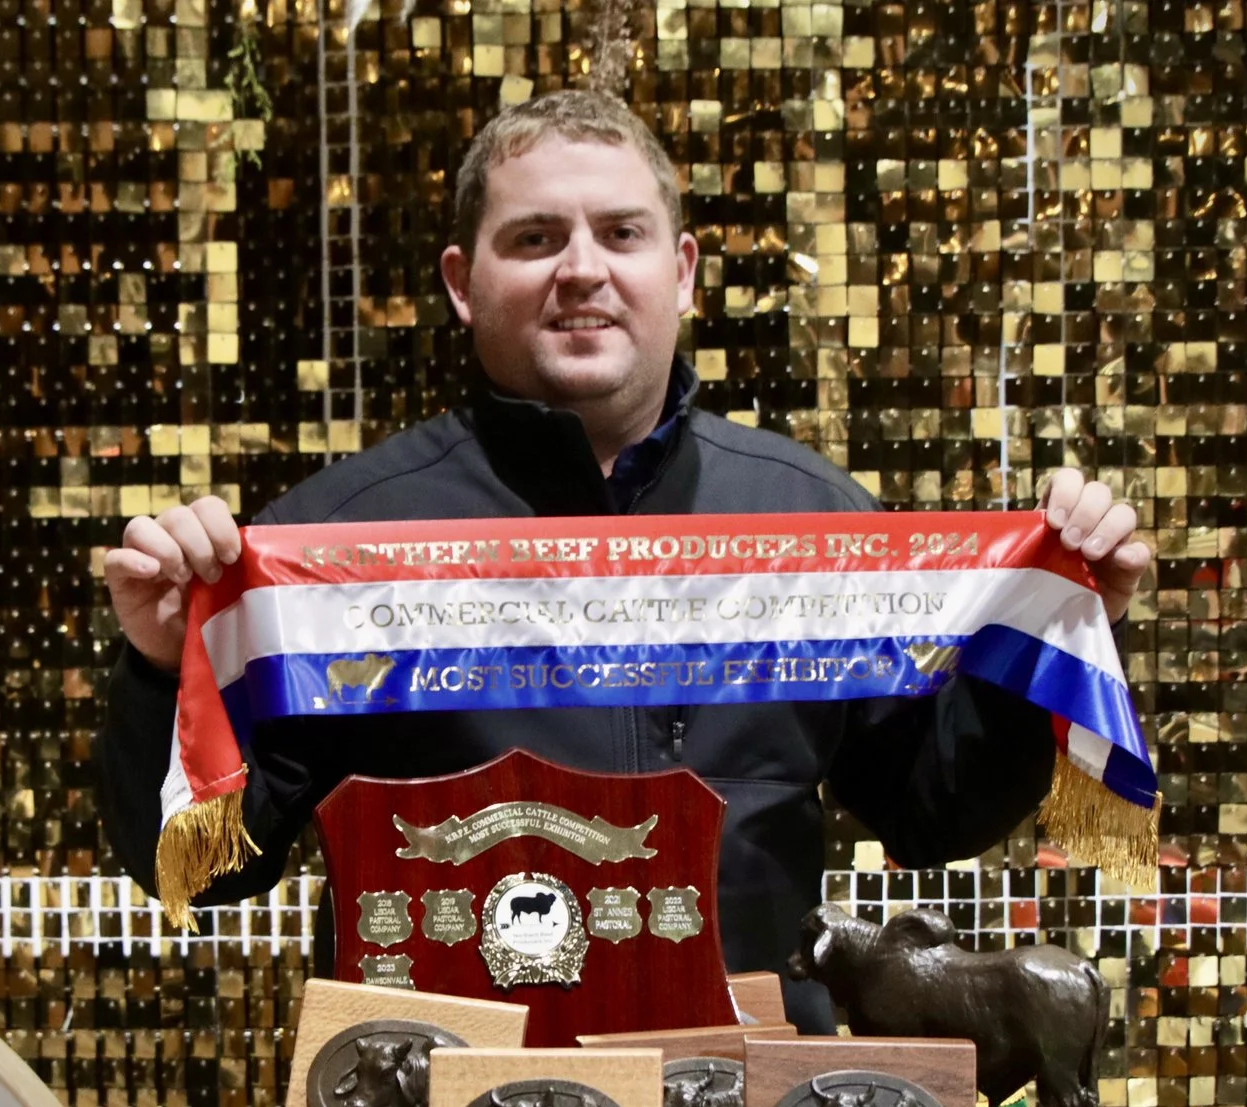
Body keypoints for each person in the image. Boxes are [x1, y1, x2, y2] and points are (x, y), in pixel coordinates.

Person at [96, 91, 1152, 1029]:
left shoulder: (810, 525)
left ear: (680, 272)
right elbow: (196, 869)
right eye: (535, 238)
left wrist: (1054, 630)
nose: (582, 269)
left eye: (621, 233)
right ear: (463, 283)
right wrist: (159, 669)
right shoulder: (340, 550)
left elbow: (936, 809)